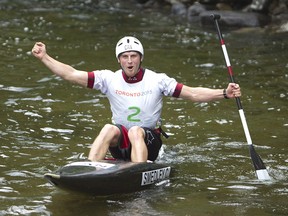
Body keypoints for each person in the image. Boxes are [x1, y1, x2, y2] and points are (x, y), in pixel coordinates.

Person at [32, 36, 241, 163]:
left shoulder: (158, 80)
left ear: (140, 58)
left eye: (134, 56)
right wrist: (44, 57)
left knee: (135, 131)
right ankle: (91, 167)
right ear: (119, 60)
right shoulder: (108, 78)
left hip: (149, 141)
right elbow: (70, 74)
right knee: (108, 128)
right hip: (121, 143)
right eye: (125, 56)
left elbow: (193, 94)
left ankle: (138, 172)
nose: (129, 61)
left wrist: (224, 93)